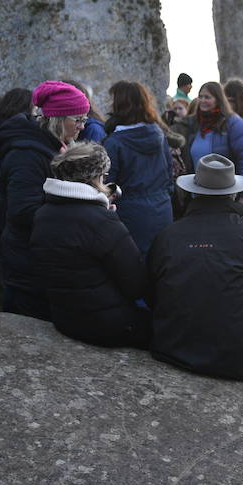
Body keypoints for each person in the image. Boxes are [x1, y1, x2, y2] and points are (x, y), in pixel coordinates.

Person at [148, 153, 243, 398]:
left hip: (178, 348)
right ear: (232, 194)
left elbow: (152, 290)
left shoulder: (168, 235)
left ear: (194, 192)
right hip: (241, 351)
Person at [30, 142, 152, 348]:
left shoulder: (42, 215)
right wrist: (110, 222)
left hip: (64, 318)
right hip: (107, 326)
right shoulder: (102, 223)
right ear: (96, 178)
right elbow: (137, 285)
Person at [0, 80, 89, 319]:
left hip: (38, 255)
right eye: (77, 119)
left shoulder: (53, 146)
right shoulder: (27, 155)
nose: (81, 127)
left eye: (84, 120)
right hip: (26, 261)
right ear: (57, 119)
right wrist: (75, 211)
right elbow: (23, 211)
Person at [102, 81, 173, 255]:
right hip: (162, 208)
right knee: (162, 263)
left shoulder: (115, 143)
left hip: (130, 214)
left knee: (134, 267)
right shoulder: (159, 135)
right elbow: (169, 174)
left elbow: (107, 186)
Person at [182, 81, 243, 206]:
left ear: (218, 99)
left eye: (207, 97)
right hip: (198, 193)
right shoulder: (194, 124)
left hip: (226, 195)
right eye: (201, 96)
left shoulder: (234, 123)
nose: (203, 100)